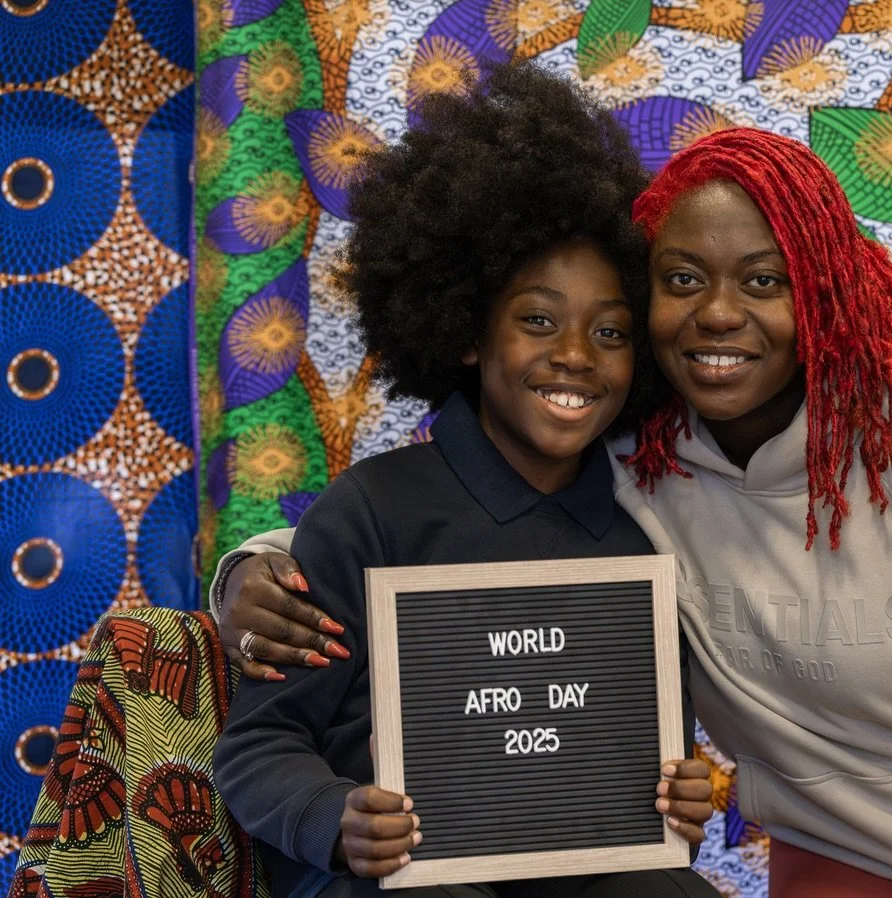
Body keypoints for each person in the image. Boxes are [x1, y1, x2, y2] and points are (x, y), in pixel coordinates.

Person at [213, 128, 892, 898]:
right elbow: (416, 533)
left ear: (825, 295)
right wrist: (249, 572)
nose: (718, 315)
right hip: (846, 829)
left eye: (764, 281)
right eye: (681, 283)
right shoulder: (642, 458)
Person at [211, 62, 719, 898]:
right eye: (537, 320)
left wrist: (679, 794)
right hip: (384, 876)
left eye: (612, 332)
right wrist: (336, 817)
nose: (575, 357)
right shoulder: (370, 514)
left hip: (571, 867)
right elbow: (261, 746)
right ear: (468, 333)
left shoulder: (642, 535)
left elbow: (636, 758)